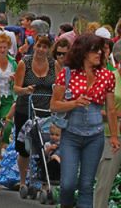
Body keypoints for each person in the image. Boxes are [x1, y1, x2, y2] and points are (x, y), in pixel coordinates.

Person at [51, 34, 119, 208]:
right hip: (71, 135)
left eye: (100, 50)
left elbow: (111, 109)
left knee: (87, 185)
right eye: (94, 50)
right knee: (67, 184)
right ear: (83, 52)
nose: (99, 53)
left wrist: (113, 136)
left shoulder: (107, 76)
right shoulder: (67, 74)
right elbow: (54, 105)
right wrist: (74, 103)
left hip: (95, 136)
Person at [12, 36, 56, 196]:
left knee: (46, 146)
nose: (41, 50)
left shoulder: (53, 64)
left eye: (45, 47)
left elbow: (57, 86)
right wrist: (26, 90)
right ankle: (23, 180)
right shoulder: (25, 63)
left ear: (49, 49)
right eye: (39, 46)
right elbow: (16, 87)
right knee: (25, 147)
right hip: (26, 108)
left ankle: (45, 181)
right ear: (34, 46)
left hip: (46, 110)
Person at [93, 48, 121, 208]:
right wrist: (116, 115)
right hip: (110, 135)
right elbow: (93, 107)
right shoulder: (109, 78)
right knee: (104, 184)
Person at [0, 32, 18, 164]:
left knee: (7, 126)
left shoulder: (13, 63)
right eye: (0, 47)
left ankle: (4, 148)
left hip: (8, 98)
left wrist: (14, 80)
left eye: (5, 47)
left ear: (8, 48)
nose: (2, 50)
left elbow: (18, 82)